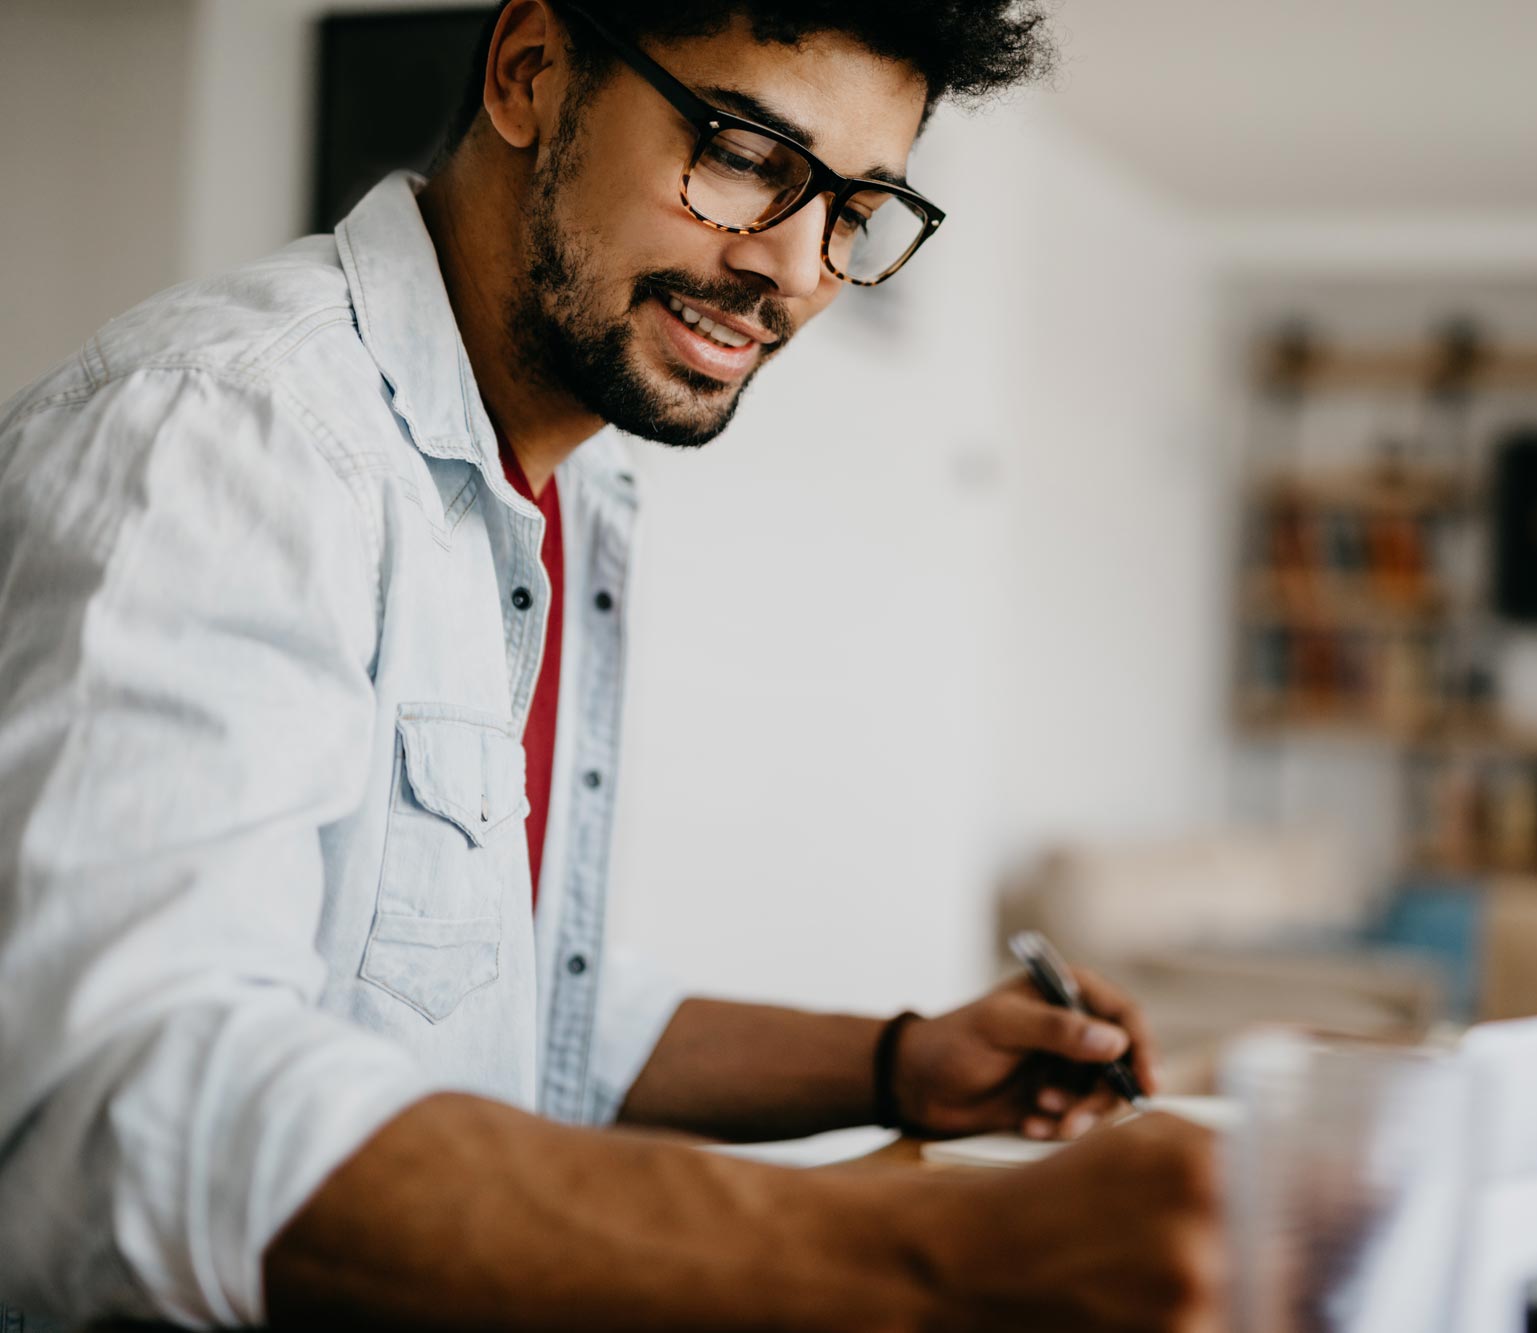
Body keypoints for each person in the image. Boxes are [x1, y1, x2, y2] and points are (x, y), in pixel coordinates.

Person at [0, 2, 1220, 1328]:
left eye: (856, 210)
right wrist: (932, 1249)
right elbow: (122, 1107)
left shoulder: (576, 495)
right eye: (751, 156)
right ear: (530, 74)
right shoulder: (226, 436)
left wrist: (897, 1062)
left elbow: (504, 997)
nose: (798, 271)